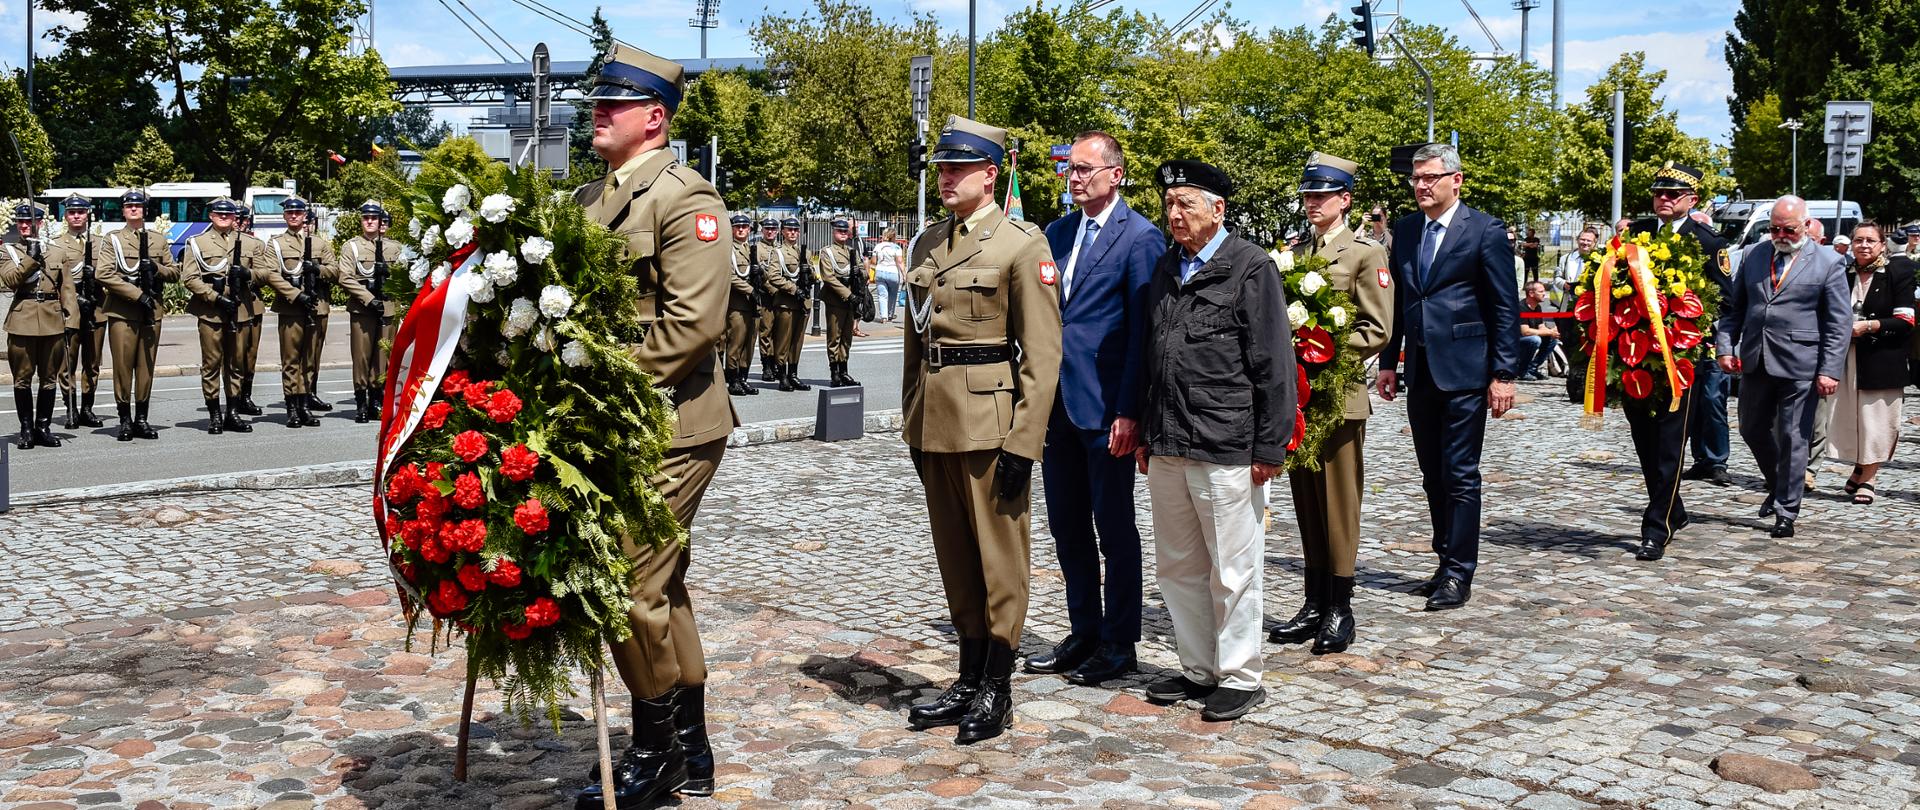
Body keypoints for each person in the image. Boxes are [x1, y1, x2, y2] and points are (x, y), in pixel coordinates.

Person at [569, 44, 737, 808]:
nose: (597, 114)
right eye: (597, 103)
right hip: (610, 427)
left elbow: (691, 326)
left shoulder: (687, 201)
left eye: (614, 105)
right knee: (661, 589)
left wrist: (602, 389)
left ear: (655, 118)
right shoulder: (587, 201)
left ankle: (655, 756)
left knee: (629, 583)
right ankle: (692, 751)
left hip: (672, 423)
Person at [901, 115, 1061, 745]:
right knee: (956, 558)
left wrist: (1025, 442)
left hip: (992, 424)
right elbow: (918, 339)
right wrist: (913, 415)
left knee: (999, 561)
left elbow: (1042, 356)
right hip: (935, 420)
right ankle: (968, 676)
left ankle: (998, 685)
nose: (944, 177)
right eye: (940, 167)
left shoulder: (1022, 245)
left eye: (958, 167)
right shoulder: (926, 244)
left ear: (990, 175)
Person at [1136, 159, 1294, 721]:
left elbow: (1274, 362)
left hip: (1227, 441)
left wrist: (1270, 447)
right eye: (1170, 203)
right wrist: (1143, 427)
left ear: (1217, 209)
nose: (1174, 214)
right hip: (1168, 439)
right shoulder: (1165, 268)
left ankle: (1242, 674)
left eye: (1187, 203)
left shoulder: (1250, 268)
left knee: (1233, 568)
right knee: (1177, 567)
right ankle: (1199, 668)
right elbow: (1150, 355)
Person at [1026, 130, 1160, 686]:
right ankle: (1083, 628)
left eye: (1085, 169)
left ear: (1115, 174)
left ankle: (1120, 640)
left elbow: (1142, 334)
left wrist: (1131, 410)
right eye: (1070, 169)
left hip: (1107, 408)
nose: (1074, 177)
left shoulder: (1140, 238)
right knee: (1067, 525)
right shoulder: (1056, 233)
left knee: (1114, 526)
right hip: (1056, 403)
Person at [1378, 143, 1520, 610]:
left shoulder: (1484, 230)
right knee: (1432, 476)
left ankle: (1460, 571)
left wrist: (1502, 373)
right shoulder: (1406, 230)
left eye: (1430, 178)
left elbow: (1504, 307)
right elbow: (1401, 301)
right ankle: (1443, 561)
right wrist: (1387, 362)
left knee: (1460, 475)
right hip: (1420, 371)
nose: (1421, 186)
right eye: (1416, 178)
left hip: (1465, 372)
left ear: (1455, 180)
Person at [1268, 152, 1393, 655]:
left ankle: (1341, 605)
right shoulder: (1297, 253)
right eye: (1308, 195)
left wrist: (1319, 348)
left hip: (1339, 396)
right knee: (1307, 503)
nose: (1312, 203)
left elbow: (1377, 327)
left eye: (1322, 195)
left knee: (1338, 505)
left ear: (1345, 199)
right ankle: (1314, 598)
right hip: (1299, 398)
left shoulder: (1365, 253)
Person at [1716, 195, 1851, 538]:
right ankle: (1778, 484)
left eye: (1788, 229)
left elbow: (1838, 322)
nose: (1780, 235)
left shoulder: (1827, 262)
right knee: (1751, 429)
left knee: (1794, 437)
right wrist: (1726, 347)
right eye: (1774, 228)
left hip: (1802, 363)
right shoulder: (1754, 255)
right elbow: (1734, 308)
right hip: (1756, 357)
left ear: (1806, 226)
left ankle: (1786, 510)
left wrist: (1829, 369)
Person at [1621, 162, 1727, 560]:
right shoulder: (1639, 235)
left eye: (1673, 194)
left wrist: (1690, 322)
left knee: (1669, 443)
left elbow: (1725, 299)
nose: (1663, 199)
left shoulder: (1707, 242)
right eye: (1658, 193)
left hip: (1680, 358)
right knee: (1644, 441)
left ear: (1692, 200)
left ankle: (1655, 528)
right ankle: (1674, 509)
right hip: (1635, 354)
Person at [1828, 221, 1915, 504]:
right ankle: (1860, 468)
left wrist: (1869, 326)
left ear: (1882, 244)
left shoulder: (1898, 271)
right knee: (1852, 418)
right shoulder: (1842, 272)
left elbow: (1905, 320)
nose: (1863, 245)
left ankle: (1869, 479)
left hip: (1883, 357)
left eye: (1870, 240)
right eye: (1858, 240)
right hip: (1848, 356)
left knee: (1877, 421)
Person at [264, 198, 356, 427]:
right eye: (290, 212)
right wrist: (296, 295)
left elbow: (335, 272)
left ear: (305, 216)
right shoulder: (275, 244)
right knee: (291, 360)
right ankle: (292, 407)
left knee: (311, 359)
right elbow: (270, 274)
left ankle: (305, 405)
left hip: (316, 308)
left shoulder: (320, 244)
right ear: (285, 216)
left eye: (298, 212)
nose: (294, 216)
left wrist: (317, 269)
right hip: (291, 308)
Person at [97, 189, 179, 439]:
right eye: (129, 206)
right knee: (123, 367)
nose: (134, 209)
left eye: (139, 206)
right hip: (123, 312)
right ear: (123, 210)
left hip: (151, 311)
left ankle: (141, 419)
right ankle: (124, 419)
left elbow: (175, 273)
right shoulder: (113, 239)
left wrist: (155, 267)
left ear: (145, 210)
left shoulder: (158, 240)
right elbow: (103, 273)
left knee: (146, 367)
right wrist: (136, 294)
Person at [181, 198, 261, 435]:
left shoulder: (249, 243)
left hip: (241, 310)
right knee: (212, 364)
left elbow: (267, 272)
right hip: (211, 311)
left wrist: (248, 273)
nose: (223, 217)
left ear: (235, 217)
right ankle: (214, 414)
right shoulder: (197, 242)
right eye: (219, 214)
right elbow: (190, 278)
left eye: (228, 214)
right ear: (211, 216)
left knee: (236, 364)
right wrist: (215, 297)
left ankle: (232, 413)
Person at [2, 203, 71, 448]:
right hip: (22, 321)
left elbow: (67, 288)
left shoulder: (56, 251)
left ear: (39, 223)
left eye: (29, 221)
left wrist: (70, 319)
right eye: (20, 221)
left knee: (49, 378)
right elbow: (11, 280)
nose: (24, 226)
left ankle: (43, 427)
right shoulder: (7, 251)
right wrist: (31, 258)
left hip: (52, 320)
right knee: (22, 379)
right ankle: (26, 429)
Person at [48, 195, 107, 431]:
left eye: (81, 212)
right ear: (65, 215)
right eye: (72, 212)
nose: (76, 216)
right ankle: (70, 407)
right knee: (67, 363)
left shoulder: (101, 243)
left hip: (97, 309)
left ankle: (87, 408)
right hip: (71, 310)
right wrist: (74, 299)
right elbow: (53, 279)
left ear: (87, 214)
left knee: (92, 363)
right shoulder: (57, 244)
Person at [341, 200, 403, 422]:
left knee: (382, 357)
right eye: (366, 218)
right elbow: (345, 277)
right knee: (361, 357)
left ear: (380, 221)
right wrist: (368, 299)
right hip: (362, 309)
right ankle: (361, 403)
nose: (369, 221)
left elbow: (404, 276)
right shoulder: (352, 247)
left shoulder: (394, 248)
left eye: (374, 218)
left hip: (387, 308)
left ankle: (376, 400)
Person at [230, 210, 272, 418]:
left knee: (250, 354)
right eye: (235, 219)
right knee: (234, 355)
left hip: (252, 303)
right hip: (232, 304)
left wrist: (248, 275)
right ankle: (233, 398)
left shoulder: (255, 244)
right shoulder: (224, 242)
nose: (238, 223)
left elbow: (264, 275)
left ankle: (246, 395)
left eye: (242, 219)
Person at [815, 218, 863, 387]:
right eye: (839, 231)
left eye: (845, 231)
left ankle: (844, 371)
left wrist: (859, 273)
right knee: (834, 337)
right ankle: (834, 372)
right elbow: (828, 278)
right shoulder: (827, 252)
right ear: (833, 232)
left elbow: (864, 272)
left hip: (851, 301)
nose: (842, 234)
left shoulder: (853, 251)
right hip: (836, 300)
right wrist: (848, 295)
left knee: (846, 338)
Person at [723, 212, 761, 396]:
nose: (741, 229)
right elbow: (729, 276)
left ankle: (743, 377)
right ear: (731, 229)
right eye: (737, 226)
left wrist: (760, 274)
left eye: (744, 227)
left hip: (752, 305)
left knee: (749, 342)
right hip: (737, 303)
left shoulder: (751, 249)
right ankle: (733, 379)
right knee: (736, 343)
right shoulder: (727, 249)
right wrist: (750, 290)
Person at [780, 217, 813, 389]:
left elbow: (814, 277)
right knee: (784, 340)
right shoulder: (778, 252)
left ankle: (793, 373)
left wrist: (810, 274)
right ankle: (783, 375)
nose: (793, 233)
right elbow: (774, 276)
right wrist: (794, 289)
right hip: (787, 303)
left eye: (795, 230)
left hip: (803, 303)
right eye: (789, 230)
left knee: (798, 341)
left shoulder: (805, 253)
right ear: (783, 232)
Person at [755, 217, 783, 382]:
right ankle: (766, 366)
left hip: (781, 296)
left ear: (778, 231)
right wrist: (773, 290)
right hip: (766, 295)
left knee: (779, 332)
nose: (770, 231)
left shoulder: (780, 249)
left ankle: (776, 365)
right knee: (766, 331)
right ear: (762, 230)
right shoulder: (757, 249)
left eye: (773, 229)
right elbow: (761, 275)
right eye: (767, 229)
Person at [1517, 281, 1560, 381]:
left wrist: (1552, 331)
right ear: (1531, 293)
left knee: (1551, 339)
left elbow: (1541, 327)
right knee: (1535, 340)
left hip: (1528, 338)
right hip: (1516, 340)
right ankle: (1522, 370)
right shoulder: (1521, 307)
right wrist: (1549, 332)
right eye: (1541, 291)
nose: (1544, 294)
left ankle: (1532, 369)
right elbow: (1525, 331)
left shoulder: (1537, 307)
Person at [870, 226, 904, 321]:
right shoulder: (897, 248)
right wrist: (904, 274)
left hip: (880, 272)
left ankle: (883, 316)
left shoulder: (878, 246)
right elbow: (900, 262)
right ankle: (890, 314)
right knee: (893, 295)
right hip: (893, 272)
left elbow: (873, 262)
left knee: (882, 295)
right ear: (893, 237)